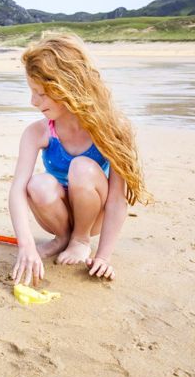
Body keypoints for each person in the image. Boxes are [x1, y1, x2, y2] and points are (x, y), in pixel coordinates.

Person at [8, 34, 149, 284]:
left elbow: (117, 199)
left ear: (67, 87)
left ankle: (81, 239)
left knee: (81, 167)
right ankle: (62, 238)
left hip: (93, 215)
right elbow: (17, 191)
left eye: (40, 93)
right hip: (56, 214)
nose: (33, 102)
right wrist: (26, 246)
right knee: (37, 184)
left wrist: (104, 257)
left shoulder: (112, 129)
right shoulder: (38, 132)